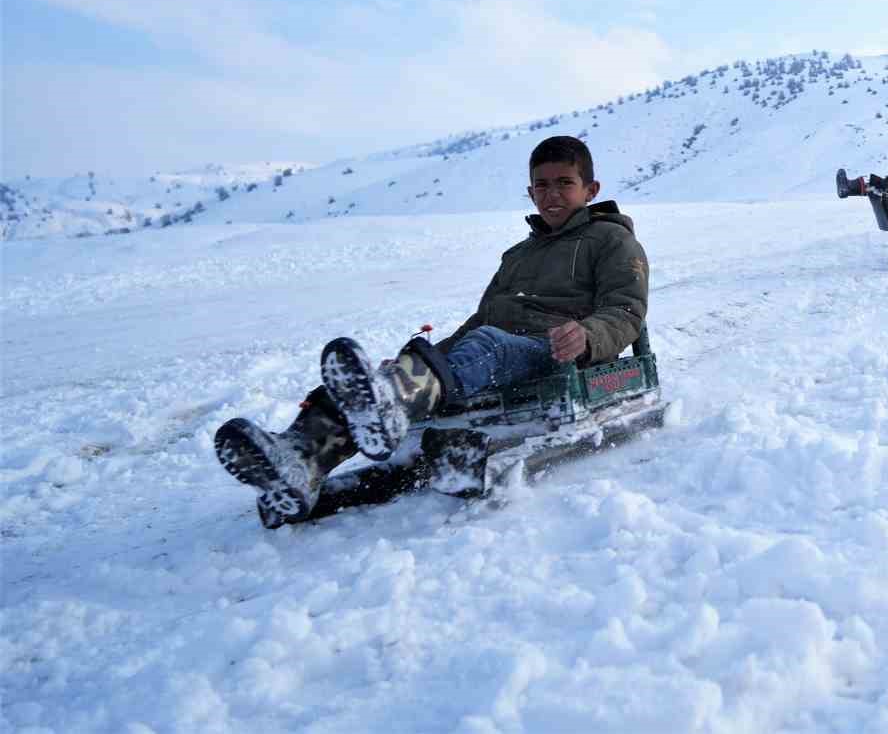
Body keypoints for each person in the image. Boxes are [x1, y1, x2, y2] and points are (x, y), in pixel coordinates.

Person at [213, 135, 650, 522]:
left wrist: (586, 336)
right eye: (542, 185)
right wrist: (417, 365)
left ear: (590, 189)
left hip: (553, 355)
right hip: (497, 347)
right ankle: (301, 457)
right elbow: (481, 320)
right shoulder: (517, 255)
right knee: (442, 355)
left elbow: (626, 311)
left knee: (488, 346)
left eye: (563, 184)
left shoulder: (612, 241)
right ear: (530, 190)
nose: (551, 194)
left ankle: (394, 402)